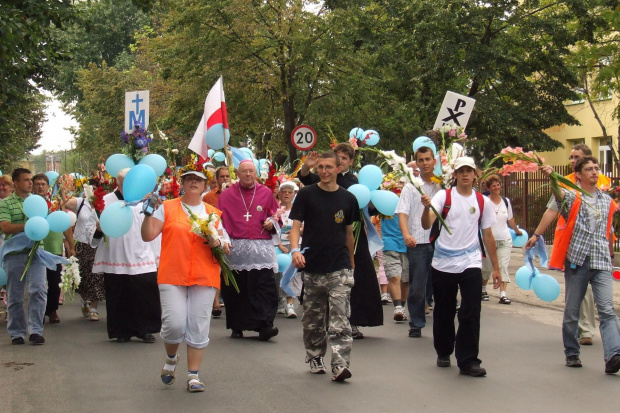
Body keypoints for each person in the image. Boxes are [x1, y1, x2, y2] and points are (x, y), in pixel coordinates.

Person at [142, 166, 227, 392]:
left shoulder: (213, 213)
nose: (193, 182)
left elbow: (227, 244)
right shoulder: (168, 208)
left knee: (199, 325)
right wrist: (147, 215)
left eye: (198, 180)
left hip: (204, 274)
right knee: (174, 323)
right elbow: (148, 235)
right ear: (182, 183)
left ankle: (193, 376)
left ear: (205, 186)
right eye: (188, 179)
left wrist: (218, 242)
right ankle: (171, 359)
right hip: (172, 273)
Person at [421, 157, 500, 376]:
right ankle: (444, 350)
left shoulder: (481, 202)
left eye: (469, 170)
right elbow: (427, 223)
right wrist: (426, 209)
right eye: (460, 171)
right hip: (443, 262)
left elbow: (488, 234)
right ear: (454, 174)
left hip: (471, 261)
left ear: (476, 174)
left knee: (471, 310)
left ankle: (468, 360)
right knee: (444, 310)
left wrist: (496, 268)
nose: (465, 174)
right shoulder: (443, 196)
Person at [540, 156, 620, 374]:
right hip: (578, 260)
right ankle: (572, 352)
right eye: (589, 169)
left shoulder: (606, 200)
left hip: (601, 260)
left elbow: (608, 231)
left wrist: (611, 256)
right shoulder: (573, 196)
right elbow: (559, 197)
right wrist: (551, 179)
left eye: (596, 168)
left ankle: (614, 354)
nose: (594, 172)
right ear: (579, 175)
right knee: (572, 310)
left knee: (606, 309)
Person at [525, 144, 607, 345]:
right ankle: (579, 329)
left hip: (597, 246)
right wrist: (537, 234)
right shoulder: (566, 183)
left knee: (589, 292)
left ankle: (586, 329)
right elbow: (552, 211)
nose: (571, 161)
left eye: (575, 157)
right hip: (572, 243)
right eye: (570, 157)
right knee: (578, 290)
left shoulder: (602, 183)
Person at [300, 143, 383, 338]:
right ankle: (326, 320)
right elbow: (307, 179)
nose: (341, 161)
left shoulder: (355, 181)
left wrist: (373, 201)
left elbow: (371, 207)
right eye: (338, 157)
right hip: (326, 234)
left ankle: (353, 321)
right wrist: (306, 166)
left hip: (352, 234)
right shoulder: (324, 179)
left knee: (356, 278)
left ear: (350, 162)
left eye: (345, 158)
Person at [290, 151, 359, 382]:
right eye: (321, 167)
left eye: (329, 167)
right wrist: (295, 250)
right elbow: (295, 226)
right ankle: (315, 355)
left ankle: (340, 364)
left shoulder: (348, 199)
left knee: (340, 317)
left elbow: (349, 233)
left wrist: (351, 263)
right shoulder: (306, 195)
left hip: (339, 266)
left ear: (339, 169)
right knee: (313, 318)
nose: (324, 171)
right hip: (313, 266)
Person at [92, 168, 161, 343]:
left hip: (142, 254)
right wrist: (99, 229)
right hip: (117, 256)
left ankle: (145, 329)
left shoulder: (144, 201)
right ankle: (121, 330)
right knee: (119, 293)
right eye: (125, 183)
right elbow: (92, 230)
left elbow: (154, 226)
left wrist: (157, 255)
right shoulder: (105, 201)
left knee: (144, 293)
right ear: (119, 183)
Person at [217, 160, 280, 340]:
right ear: (237, 174)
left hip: (261, 248)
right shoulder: (226, 195)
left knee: (265, 287)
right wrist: (224, 241)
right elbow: (219, 222)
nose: (248, 175)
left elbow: (276, 215)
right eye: (244, 171)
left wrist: (271, 223)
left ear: (255, 173)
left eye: (251, 171)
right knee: (238, 289)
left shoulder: (265, 193)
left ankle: (265, 324)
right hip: (237, 249)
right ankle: (238, 325)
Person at [396, 145, 441, 337]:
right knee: (417, 285)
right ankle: (416, 323)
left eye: (427, 159)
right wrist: (406, 234)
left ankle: (442, 320)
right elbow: (402, 213)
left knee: (441, 283)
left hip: (441, 242)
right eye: (420, 160)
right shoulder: (410, 186)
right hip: (419, 241)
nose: (424, 163)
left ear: (434, 162)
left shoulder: (443, 185)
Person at [0, 168, 47, 345]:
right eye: (26, 180)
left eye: (30, 180)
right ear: (16, 183)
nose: (30, 183)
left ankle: (36, 330)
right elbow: (5, 227)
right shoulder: (6, 203)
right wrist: (27, 226)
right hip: (15, 253)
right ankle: (17, 332)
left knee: (39, 290)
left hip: (36, 251)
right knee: (15, 295)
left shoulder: (38, 202)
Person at [32, 174, 75, 324]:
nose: (40, 186)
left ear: (48, 186)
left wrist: (71, 246)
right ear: (32, 186)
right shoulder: (29, 204)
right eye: (37, 184)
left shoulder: (55, 204)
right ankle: (38, 313)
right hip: (35, 250)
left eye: (43, 184)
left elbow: (65, 225)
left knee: (54, 282)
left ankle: (52, 310)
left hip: (54, 248)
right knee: (37, 285)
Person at [64, 179, 106, 321]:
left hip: (97, 244)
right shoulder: (80, 202)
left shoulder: (102, 205)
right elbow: (63, 203)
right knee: (81, 276)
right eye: (90, 188)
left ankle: (94, 308)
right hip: (81, 244)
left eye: (95, 188)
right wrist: (65, 188)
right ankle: (85, 301)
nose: (92, 191)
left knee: (97, 277)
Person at [481, 175, 522, 304]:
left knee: (503, 266)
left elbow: (510, 218)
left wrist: (516, 231)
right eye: (493, 185)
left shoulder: (506, 201)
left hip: (505, 239)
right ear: (488, 188)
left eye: (498, 185)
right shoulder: (485, 201)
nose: (497, 187)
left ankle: (503, 294)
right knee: (487, 267)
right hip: (488, 241)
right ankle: (483, 289)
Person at [202, 166, 230, 317]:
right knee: (216, 267)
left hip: (233, 234)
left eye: (227, 176)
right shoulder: (208, 197)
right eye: (222, 177)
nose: (225, 179)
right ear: (217, 180)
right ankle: (216, 302)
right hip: (216, 234)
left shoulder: (236, 193)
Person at [275, 180, 300, 318]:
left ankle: (290, 306)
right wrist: (279, 244)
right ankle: (280, 302)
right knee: (278, 275)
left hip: (295, 245)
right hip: (279, 246)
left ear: (294, 194)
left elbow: (304, 227)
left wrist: (299, 231)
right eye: (283, 192)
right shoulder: (275, 210)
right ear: (279, 194)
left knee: (293, 275)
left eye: (289, 192)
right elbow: (272, 229)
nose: (286, 194)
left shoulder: (298, 210)